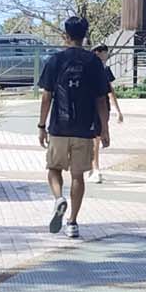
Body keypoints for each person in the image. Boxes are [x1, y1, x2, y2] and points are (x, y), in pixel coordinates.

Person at [37, 16, 111, 241]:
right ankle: (72, 222)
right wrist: (105, 128)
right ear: (85, 35)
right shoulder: (93, 62)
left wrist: (41, 126)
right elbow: (101, 98)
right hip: (85, 128)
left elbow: (46, 96)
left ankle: (58, 198)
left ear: (65, 36)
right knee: (78, 175)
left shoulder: (55, 60)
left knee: (53, 169)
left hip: (59, 127)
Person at [90, 45, 123, 183]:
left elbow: (110, 91)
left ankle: (95, 168)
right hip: (90, 107)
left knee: (96, 138)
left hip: (103, 108)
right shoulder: (88, 69)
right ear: (97, 53)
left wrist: (117, 110)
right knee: (93, 139)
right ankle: (93, 168)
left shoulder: (105, 70)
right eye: (104, 53)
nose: (106, 56)